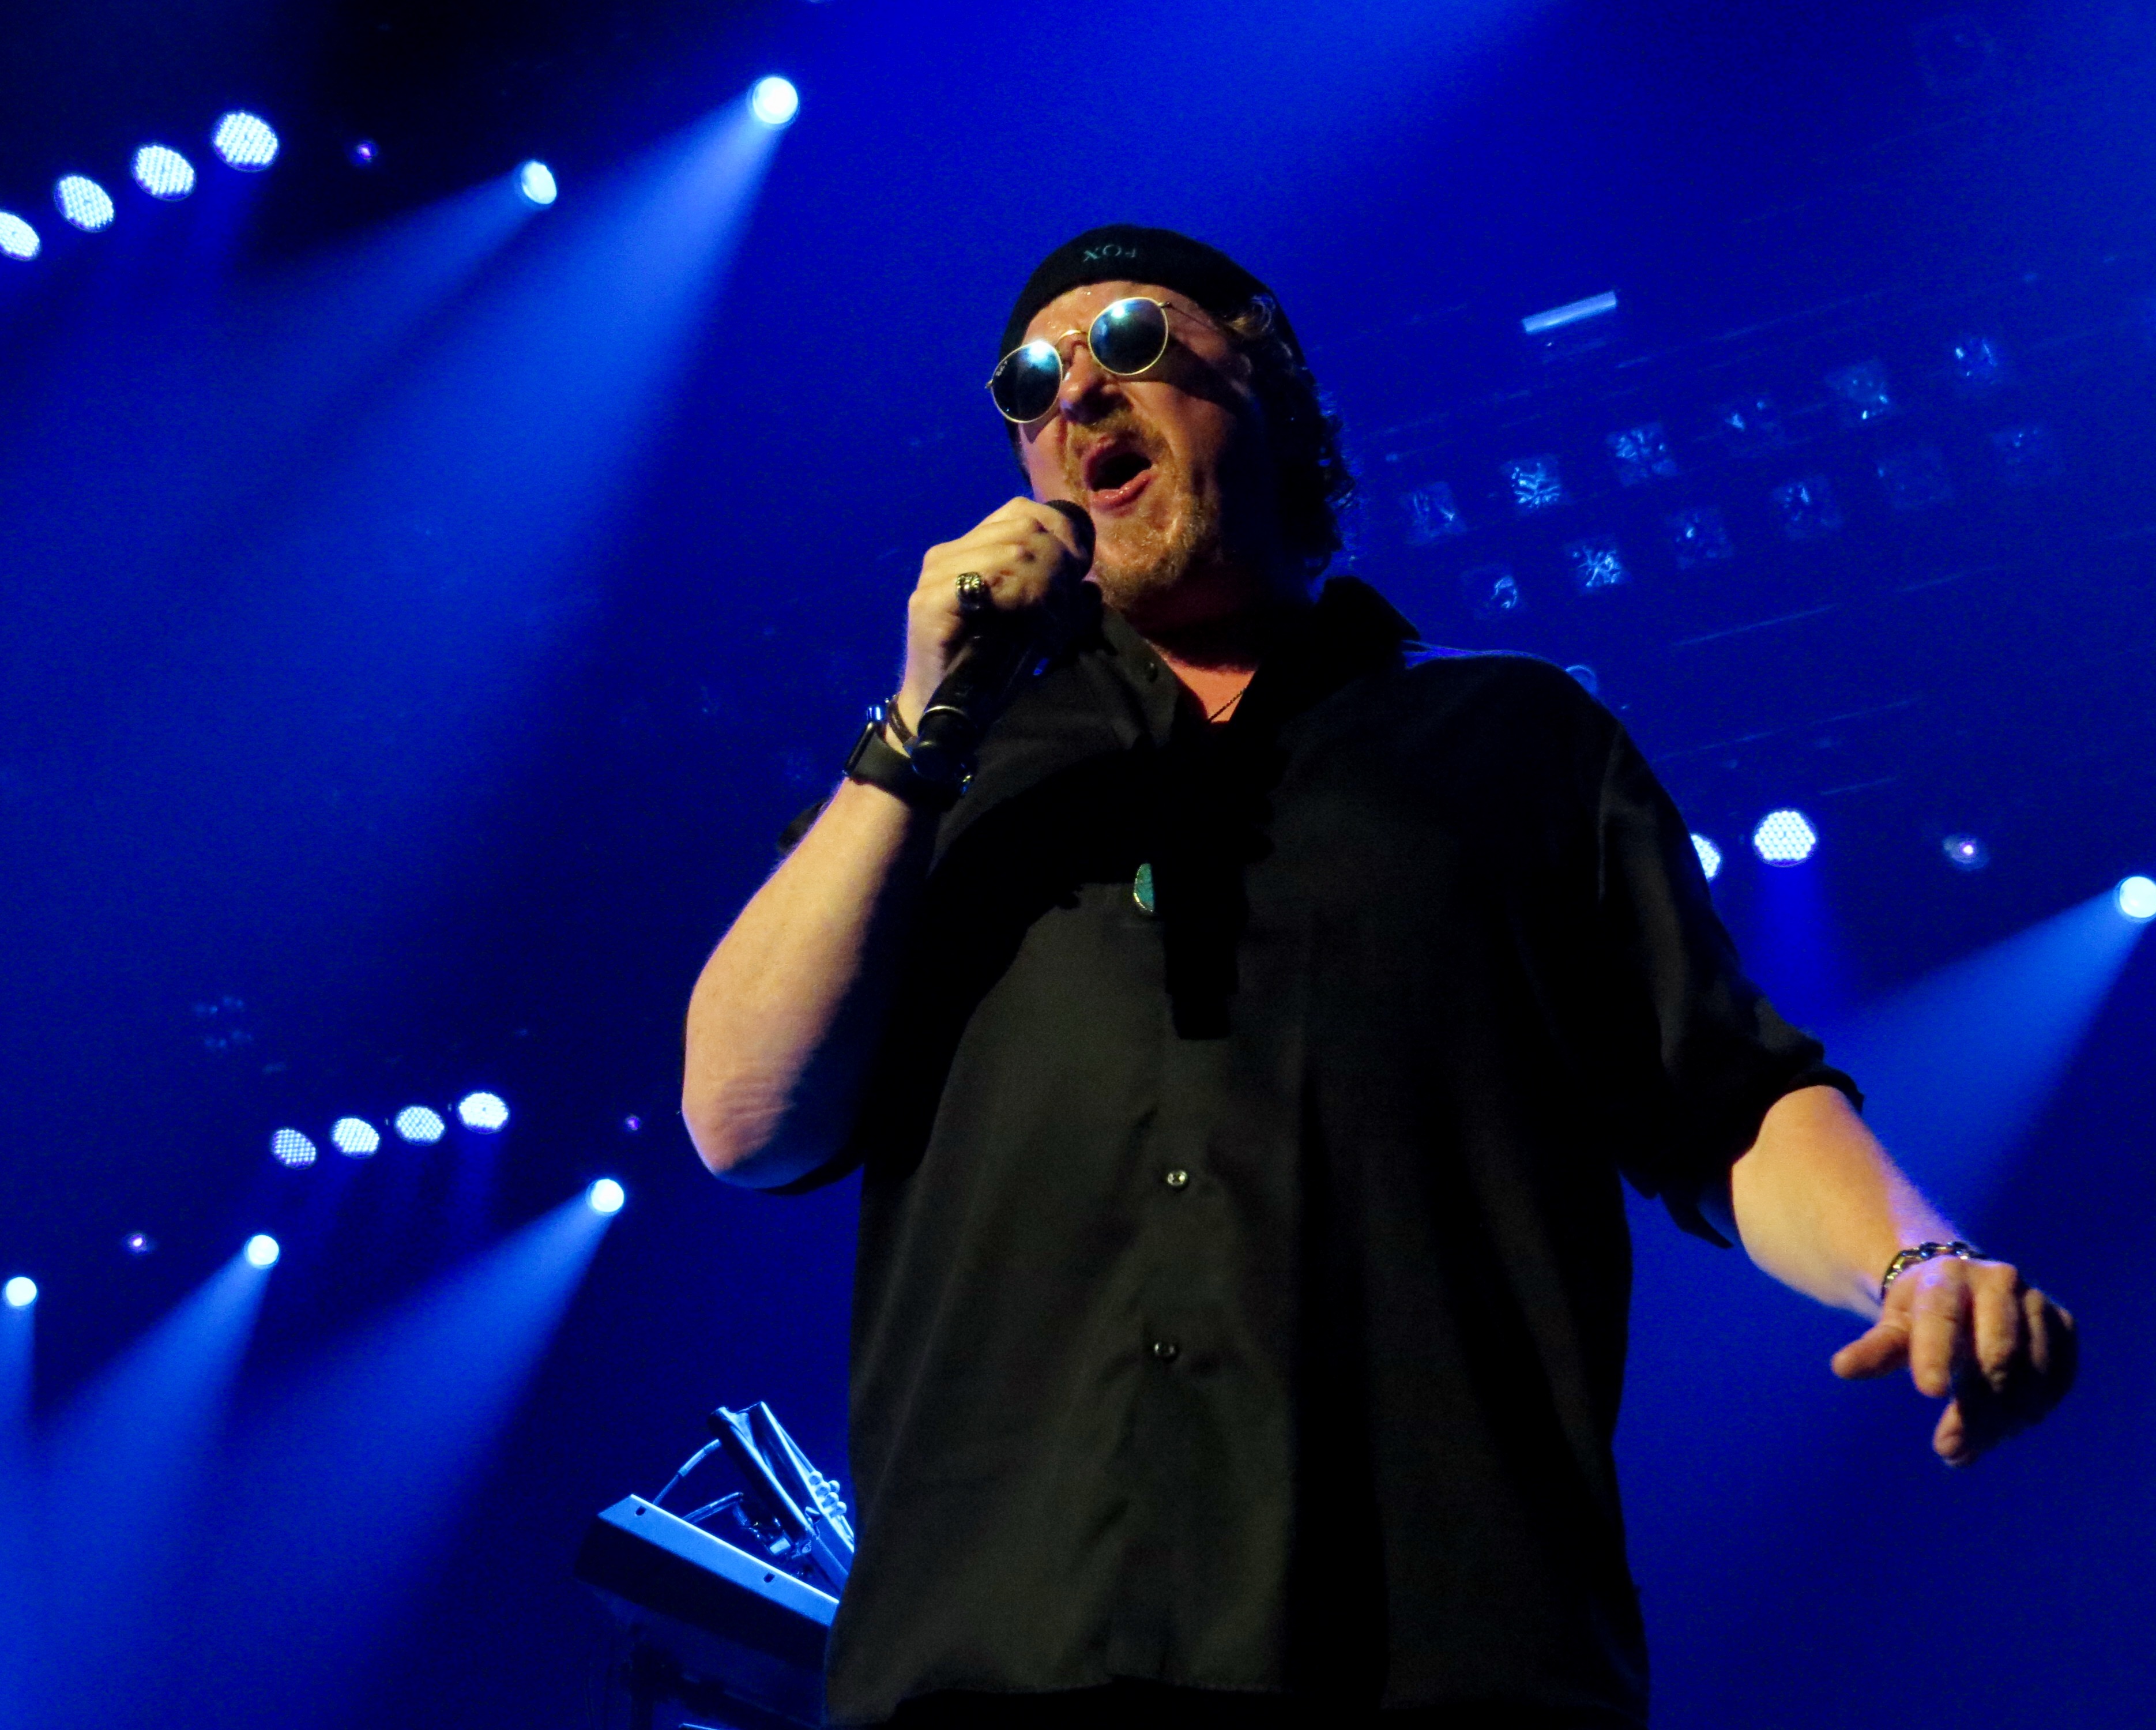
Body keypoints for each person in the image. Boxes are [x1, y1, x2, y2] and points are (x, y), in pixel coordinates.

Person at [680, 225, 2076, 1729]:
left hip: (1435, 1657)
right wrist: (918, 728)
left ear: (1263, 368)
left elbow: (1725, 1100)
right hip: (996, 1663)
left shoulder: (1514, 742)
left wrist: (1919, 1264)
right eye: (1031, 384)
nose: (1076, 397)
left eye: (1131, 342)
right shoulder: (952, 782)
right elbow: (745, 1119)